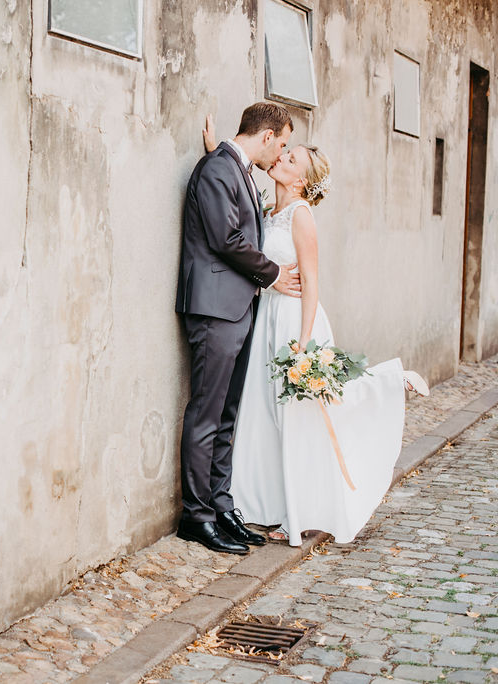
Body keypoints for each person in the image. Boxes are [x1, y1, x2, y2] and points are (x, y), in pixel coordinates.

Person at [198, 130, 432, 546]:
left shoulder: (302, 215)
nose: (282, 157)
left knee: (307, 415)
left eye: (291, 159)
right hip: (266, 317)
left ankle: (389, 382)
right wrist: (219, 152)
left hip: (293, 323)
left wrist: (304, 344)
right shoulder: (271, 209)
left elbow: (311, 282)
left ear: (300, 181)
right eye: (284, 152)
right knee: (268, 414)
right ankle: (268, 504)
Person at [174, 102, 303, 555]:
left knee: (227, 415)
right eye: (282, 143)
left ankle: (222, 505)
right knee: (207, 413)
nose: (281, 153)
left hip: (236, 308)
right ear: (266, 136)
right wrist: (272, 274)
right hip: (214, 310)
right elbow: (226, 238)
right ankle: (197, 515)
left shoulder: (234, 168)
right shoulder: (217, 169)